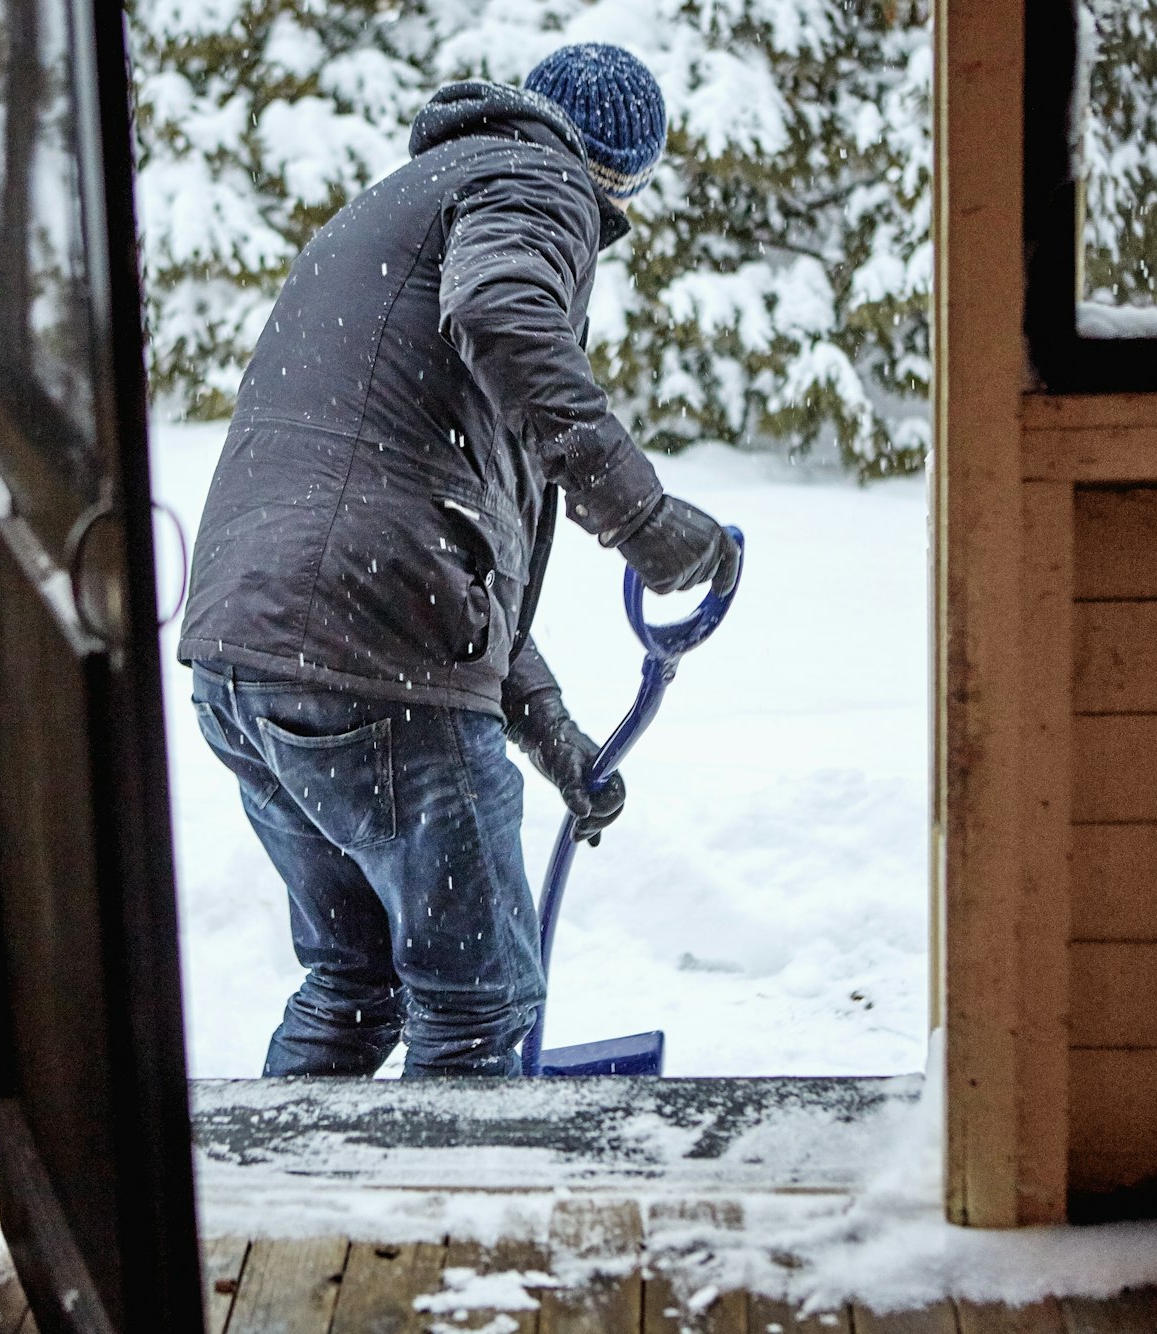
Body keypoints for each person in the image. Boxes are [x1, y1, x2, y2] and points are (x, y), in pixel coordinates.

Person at [178, 43, 741, 1077]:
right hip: (366, 653)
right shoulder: (534, 179)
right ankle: (444, 1233)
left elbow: (440, 540)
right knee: (478, 1000)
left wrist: (555, 735)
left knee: (356, 984)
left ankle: (284, 1216)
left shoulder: (416, 195)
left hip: (244, 654)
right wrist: (641, 516)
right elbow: (502, 314)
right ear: (615, 177)